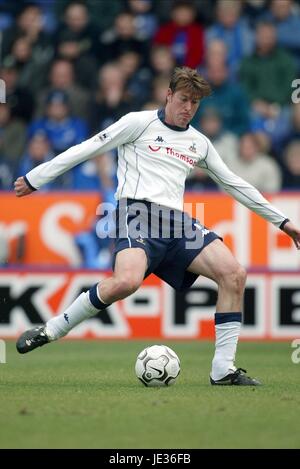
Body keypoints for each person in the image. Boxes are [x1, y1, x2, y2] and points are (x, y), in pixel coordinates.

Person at [14, 67, 300, 386]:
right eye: (183, 99)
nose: (188, 108)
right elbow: (88, 148)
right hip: (135, 213)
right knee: (126, 281)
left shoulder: (199, 143)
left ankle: (223, 370)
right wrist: (36, 178)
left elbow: (235, 183)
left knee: (234, 274)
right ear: (168, 95)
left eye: (194, 102)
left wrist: (283, 222)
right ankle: (52, 329)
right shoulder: (138, 123)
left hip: (176, 221)